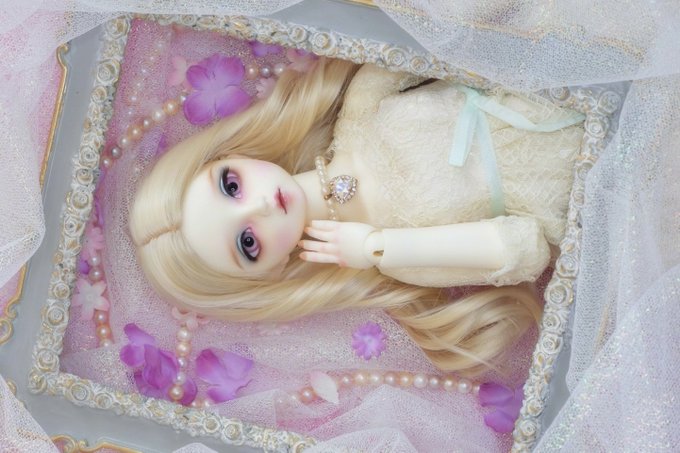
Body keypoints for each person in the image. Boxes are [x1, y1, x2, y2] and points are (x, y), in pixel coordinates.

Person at [129, 57, 584, 376]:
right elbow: (524, 248)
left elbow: (449, 39)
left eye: (231, 185)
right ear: (272, 271)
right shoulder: (395, 256)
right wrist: (376, 247)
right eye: (248, 242)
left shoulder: (360, 106)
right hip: (586, 191)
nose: (260, 206)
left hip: (567, 82)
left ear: (230, 154)